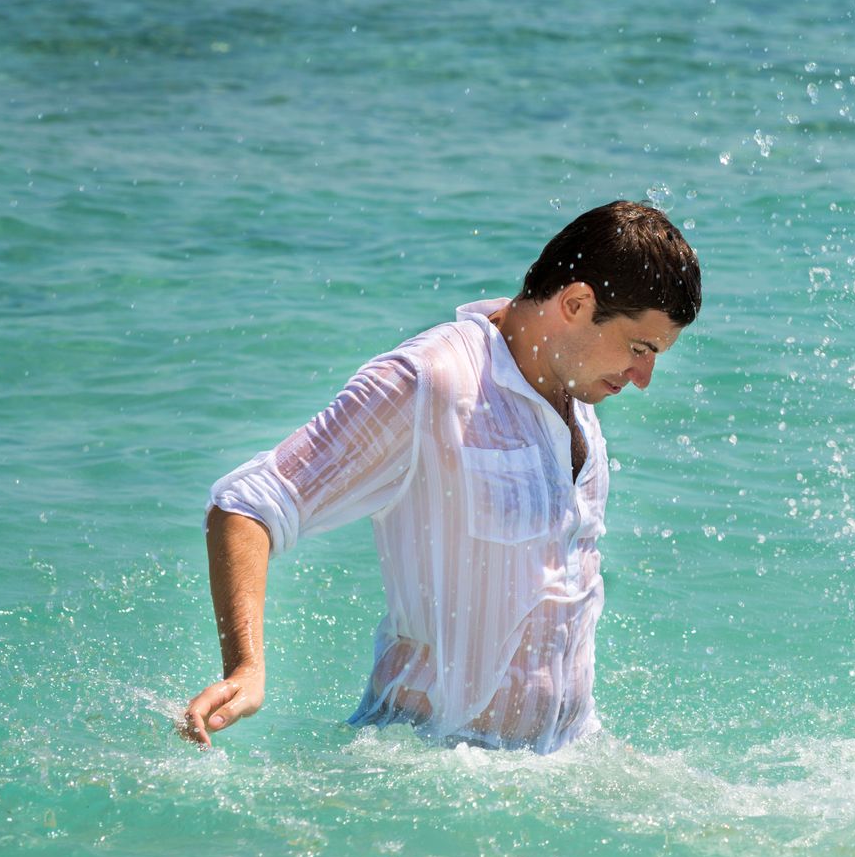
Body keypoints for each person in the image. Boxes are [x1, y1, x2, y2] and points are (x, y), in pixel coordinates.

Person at [183, 200, 701, 753]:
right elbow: (249, 505)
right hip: (428, 766)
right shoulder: (429, 382)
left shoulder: (577, 393)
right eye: (640, 348)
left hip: (567, 758)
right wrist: (246, 668)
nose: (644, 377)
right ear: (576, 303)